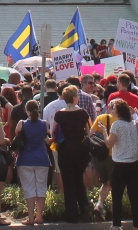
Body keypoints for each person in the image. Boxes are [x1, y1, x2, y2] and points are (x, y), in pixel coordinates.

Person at [53, 86, 92, 223]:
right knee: (78, 180)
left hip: (65, 150)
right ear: (75, 98)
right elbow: (89, 132)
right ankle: (85, 209)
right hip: (80, 150)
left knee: (68, 182)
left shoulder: (59, 114)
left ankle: (71, 214)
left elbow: (54, 133)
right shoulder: (83, 113)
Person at [103, 99, 138, 230]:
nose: (111, 111)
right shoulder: (135, 124)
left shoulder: (116, 125)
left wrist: (104, 132)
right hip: (134, 163)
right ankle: (136, 225)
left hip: (120, 164)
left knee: (117, 196)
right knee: (134, 196)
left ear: (118, 111)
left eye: (113, 108)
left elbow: (109, 143)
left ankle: (116, 225)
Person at [11, 100, 49, 227]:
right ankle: (39, 216)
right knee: (41, 188)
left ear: (26, 111)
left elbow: (17, 136)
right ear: (38, 110)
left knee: (29, 188)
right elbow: (47, 140)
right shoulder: (44, 124)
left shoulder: (22, 124)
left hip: (25, 159)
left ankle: (31, 217)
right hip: (42, 159)